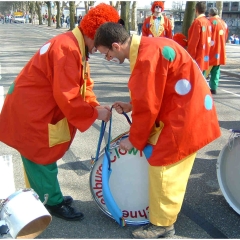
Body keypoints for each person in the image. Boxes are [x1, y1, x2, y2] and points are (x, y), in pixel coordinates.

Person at [94, 22, 221, 238]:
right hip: (188, 111)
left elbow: (149, 105)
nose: (108, 59)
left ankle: (162, 225)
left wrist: (134, 140)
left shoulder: (146, 56)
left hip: (185, 118)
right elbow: (157, 91)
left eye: (106, 54)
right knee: (166, 167)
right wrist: (132, 105)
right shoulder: (150, 46)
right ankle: (165, 213)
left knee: (164, 168)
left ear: (115, 45)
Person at [0, 3, 119, 222]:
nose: (100, 51)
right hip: (31, 112)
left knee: (46, 155)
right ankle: (50, 202)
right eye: (100, 45)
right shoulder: (67, 48)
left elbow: (84, 84)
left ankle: (51, 195)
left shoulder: (75, 45)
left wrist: (94, 105)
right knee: (40, 158)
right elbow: (69, 96)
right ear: (95, 33)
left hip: (37, 108)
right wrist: (94, 114)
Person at [207, 7, 229, 94]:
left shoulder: (209, 22)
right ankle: (214, 87)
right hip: (220, 50)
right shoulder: (224, 23)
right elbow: (226, 37)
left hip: (211, 50)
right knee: (216, 70)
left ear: (210, 14)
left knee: (206, 69)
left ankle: (202, 86)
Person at [187, 2, 211, 75]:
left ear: (196, 10)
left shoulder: (197, 22)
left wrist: (190, 55)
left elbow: (194, 41)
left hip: (198, 54)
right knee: (202, 76)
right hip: (205, 52)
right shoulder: (207, 21)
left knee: (196, 76)